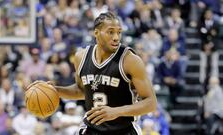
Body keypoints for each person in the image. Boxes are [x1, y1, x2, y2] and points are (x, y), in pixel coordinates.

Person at [29, 12, 157, 135]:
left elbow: (151, 103)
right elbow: (82, 90)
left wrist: (116, 112)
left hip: (124, 129)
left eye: (119, 32)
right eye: (110, 32)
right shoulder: (81, 57)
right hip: (92, 130)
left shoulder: (130, 60)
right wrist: (55, 90)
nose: (116, 37)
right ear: (96, 33)